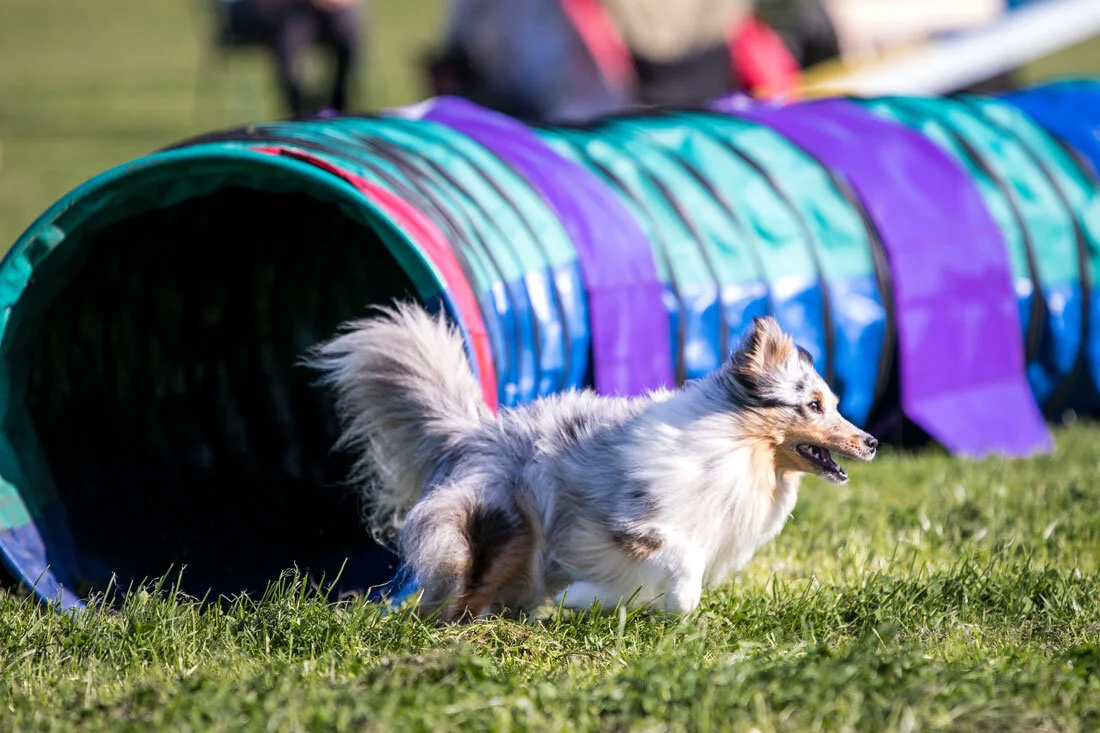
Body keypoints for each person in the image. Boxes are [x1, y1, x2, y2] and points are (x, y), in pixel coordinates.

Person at [241, 0, 364, 116]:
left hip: (322, 13)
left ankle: (339, 105)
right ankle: (296, 109)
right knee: (291, 29)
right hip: (282, 10)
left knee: (346, 23)